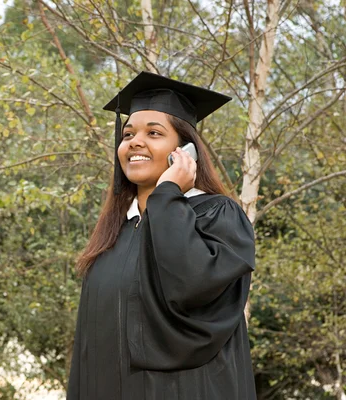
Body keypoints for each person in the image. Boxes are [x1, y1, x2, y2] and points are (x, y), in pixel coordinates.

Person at [66, 72, 256, 400]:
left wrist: (167, 193)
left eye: (154, 133)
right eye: (128, 135)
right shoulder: (114, 233)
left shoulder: (216, 216)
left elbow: (191, 285)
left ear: (185, 152)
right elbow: (87, 348)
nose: (135, 142)